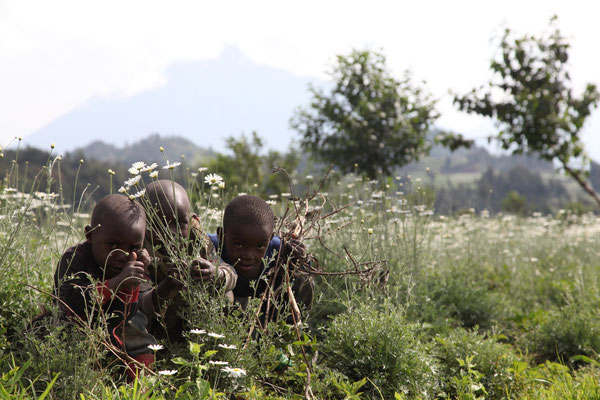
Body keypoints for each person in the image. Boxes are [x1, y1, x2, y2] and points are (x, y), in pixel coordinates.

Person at [53, 194, 156, 381]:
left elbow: (128, 313)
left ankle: (140, 387)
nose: (122, 255)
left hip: (113, 326)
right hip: (72, 326)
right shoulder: (75, 258)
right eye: (113, 245)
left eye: (133, 247)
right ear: (90, 235)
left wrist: (139, 276)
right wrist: (117, 283)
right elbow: (73, 302)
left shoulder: (131, 264)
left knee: (140, 338)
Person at [139, 180, 236, 342]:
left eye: (180, 223)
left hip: (192, 319)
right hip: (157, 325)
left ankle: (215, 342)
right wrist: (166, 286)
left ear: (191, 219)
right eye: (159, 224)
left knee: (225, 293)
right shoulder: (140, 246)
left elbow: (230, 273)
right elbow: (140, 302)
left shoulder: (196, 238)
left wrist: (214, 273)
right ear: (144, 223)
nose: (171, 232)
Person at [208, 195, 314, 325]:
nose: (249, 255)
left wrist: (300, 261)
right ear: (222, 236)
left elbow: (303, 284)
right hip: (221, 322)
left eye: (259, 246)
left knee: (302, 276)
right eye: (239, 245)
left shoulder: (278, 251)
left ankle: (290, 331)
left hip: (267, 319)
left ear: (270, 239)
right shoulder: (209, 248)